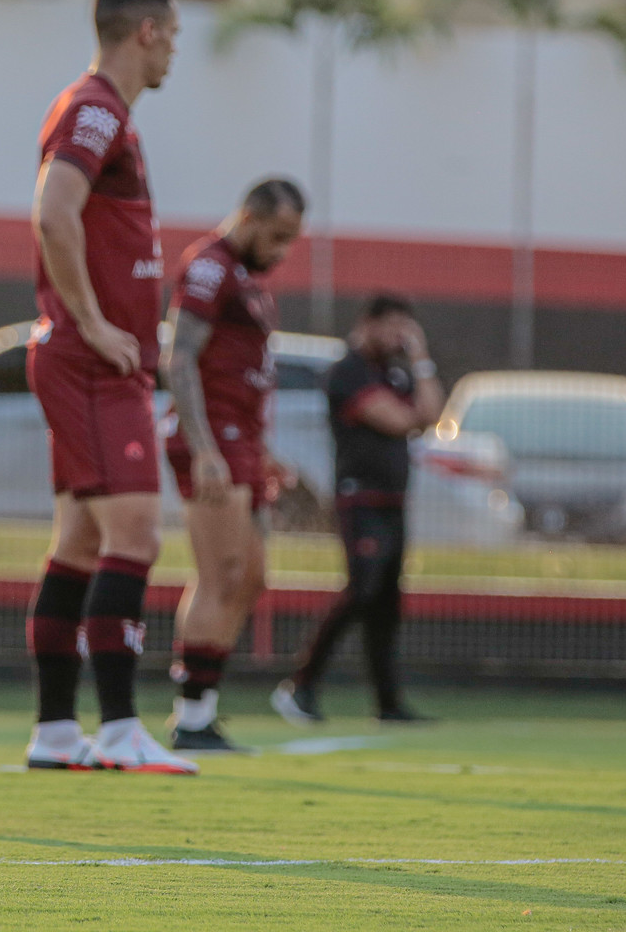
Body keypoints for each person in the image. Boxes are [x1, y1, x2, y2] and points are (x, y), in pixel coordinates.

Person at [23, 0, 198, 776]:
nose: (174, 55)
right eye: (173, 36)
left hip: (92, 358)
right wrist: (94, 322)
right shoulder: (95, 108)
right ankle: (123, 724)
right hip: (92, 362)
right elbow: (53, 211)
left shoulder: (104, 111)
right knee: (136, 533)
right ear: (148, 32)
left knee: (82, 541)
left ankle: (58, 730)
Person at [160, 178, 305, 753]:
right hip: (213, 439)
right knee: (220, 573)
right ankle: (191, 715)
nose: (282, 251)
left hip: (240, 440)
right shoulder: (210, 266)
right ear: (248, 216)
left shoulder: (247, 281)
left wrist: (260, 448)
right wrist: (204, 446)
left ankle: (203, 708)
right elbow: (182, 357)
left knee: (250, 578)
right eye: (277, 236)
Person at [273, 293, 443, 725]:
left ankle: (388, 703)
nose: (397, 338)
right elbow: (401, 421)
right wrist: (414, 413)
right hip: (359, 498)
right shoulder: (347, 372)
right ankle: (300, 686)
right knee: (360, 590)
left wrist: (422, 360)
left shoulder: (397, 374)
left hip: (393, 499)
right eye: (391, 327)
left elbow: (432, 414)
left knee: (386, 603)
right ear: (368, 324)